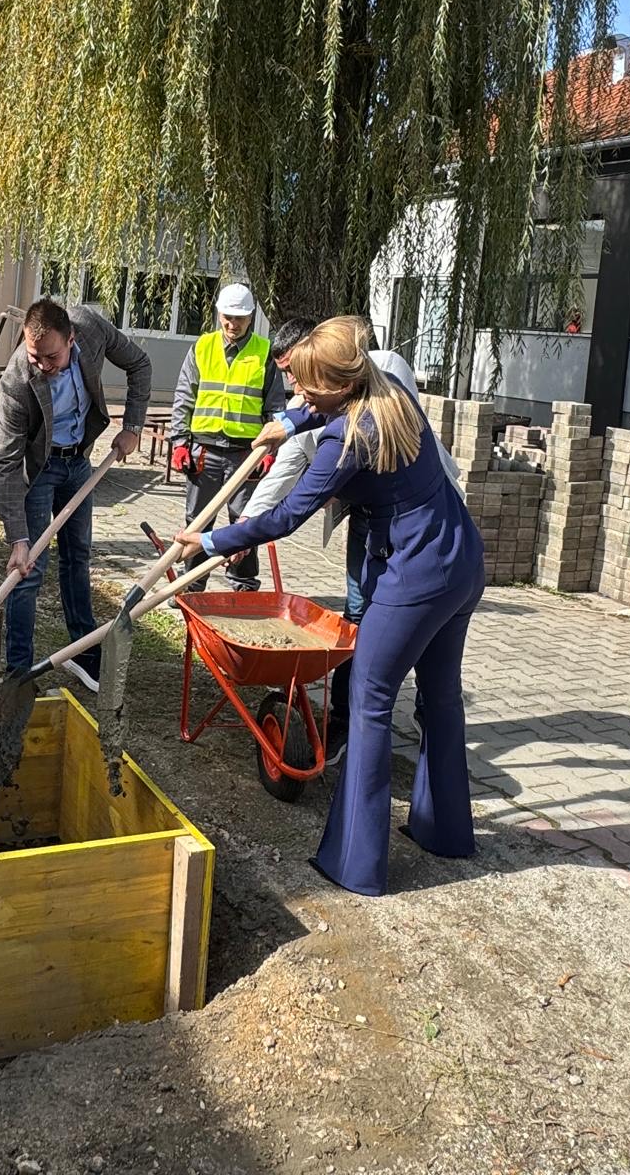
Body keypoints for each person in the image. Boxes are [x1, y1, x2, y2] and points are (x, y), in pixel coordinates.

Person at [175, 318, 484, 897]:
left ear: (337, 386)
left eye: (308, 390)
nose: (301, 395)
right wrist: (288, 422)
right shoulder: (388, 392)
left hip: (415, 569)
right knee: (441, 698)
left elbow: (288, 516)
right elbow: (321, 412)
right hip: (462, 560)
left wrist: (213, 541)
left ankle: (356, 861)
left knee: (369, 696)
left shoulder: (349, 441)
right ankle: (444, 831)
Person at [245, 315, 462, 764]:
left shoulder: (382, 375)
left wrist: (221, 540)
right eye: (288, 374)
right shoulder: (320, 394)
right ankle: (345, 721)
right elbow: (288, 461)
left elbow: (293, 508)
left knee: (409, 635)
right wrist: (247, 520)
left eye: (297, 372)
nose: (294, 385)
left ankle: (408, 721)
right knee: (359, 612)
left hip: (428, 514)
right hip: (373, 516)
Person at [0, 297, 150, 690]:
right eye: (35, 355)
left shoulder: (91, 328)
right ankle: (18, 673)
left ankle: (83, 651)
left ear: (72, 339)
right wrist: (19, 538)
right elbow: (3, 461)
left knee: (78, 557)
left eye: (52, 357)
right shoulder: (17, 380)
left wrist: (133, 426)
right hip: (39, 470)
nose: (43, 365)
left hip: (80, 464)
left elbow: (140, 365)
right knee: (28, 570)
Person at [168, 283, 282, 592]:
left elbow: (275, 407)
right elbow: (184, 396)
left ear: (251, 318)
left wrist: (272, 448)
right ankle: (192, 585)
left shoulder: (264, 353)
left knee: (244, 521)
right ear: (219, 314)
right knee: (198, 520)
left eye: (240, 318)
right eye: (228, 317)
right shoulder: (202, 347)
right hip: (203, 450)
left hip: (246, 453)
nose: (233, 325)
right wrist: (179, 442)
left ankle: (243, 584)